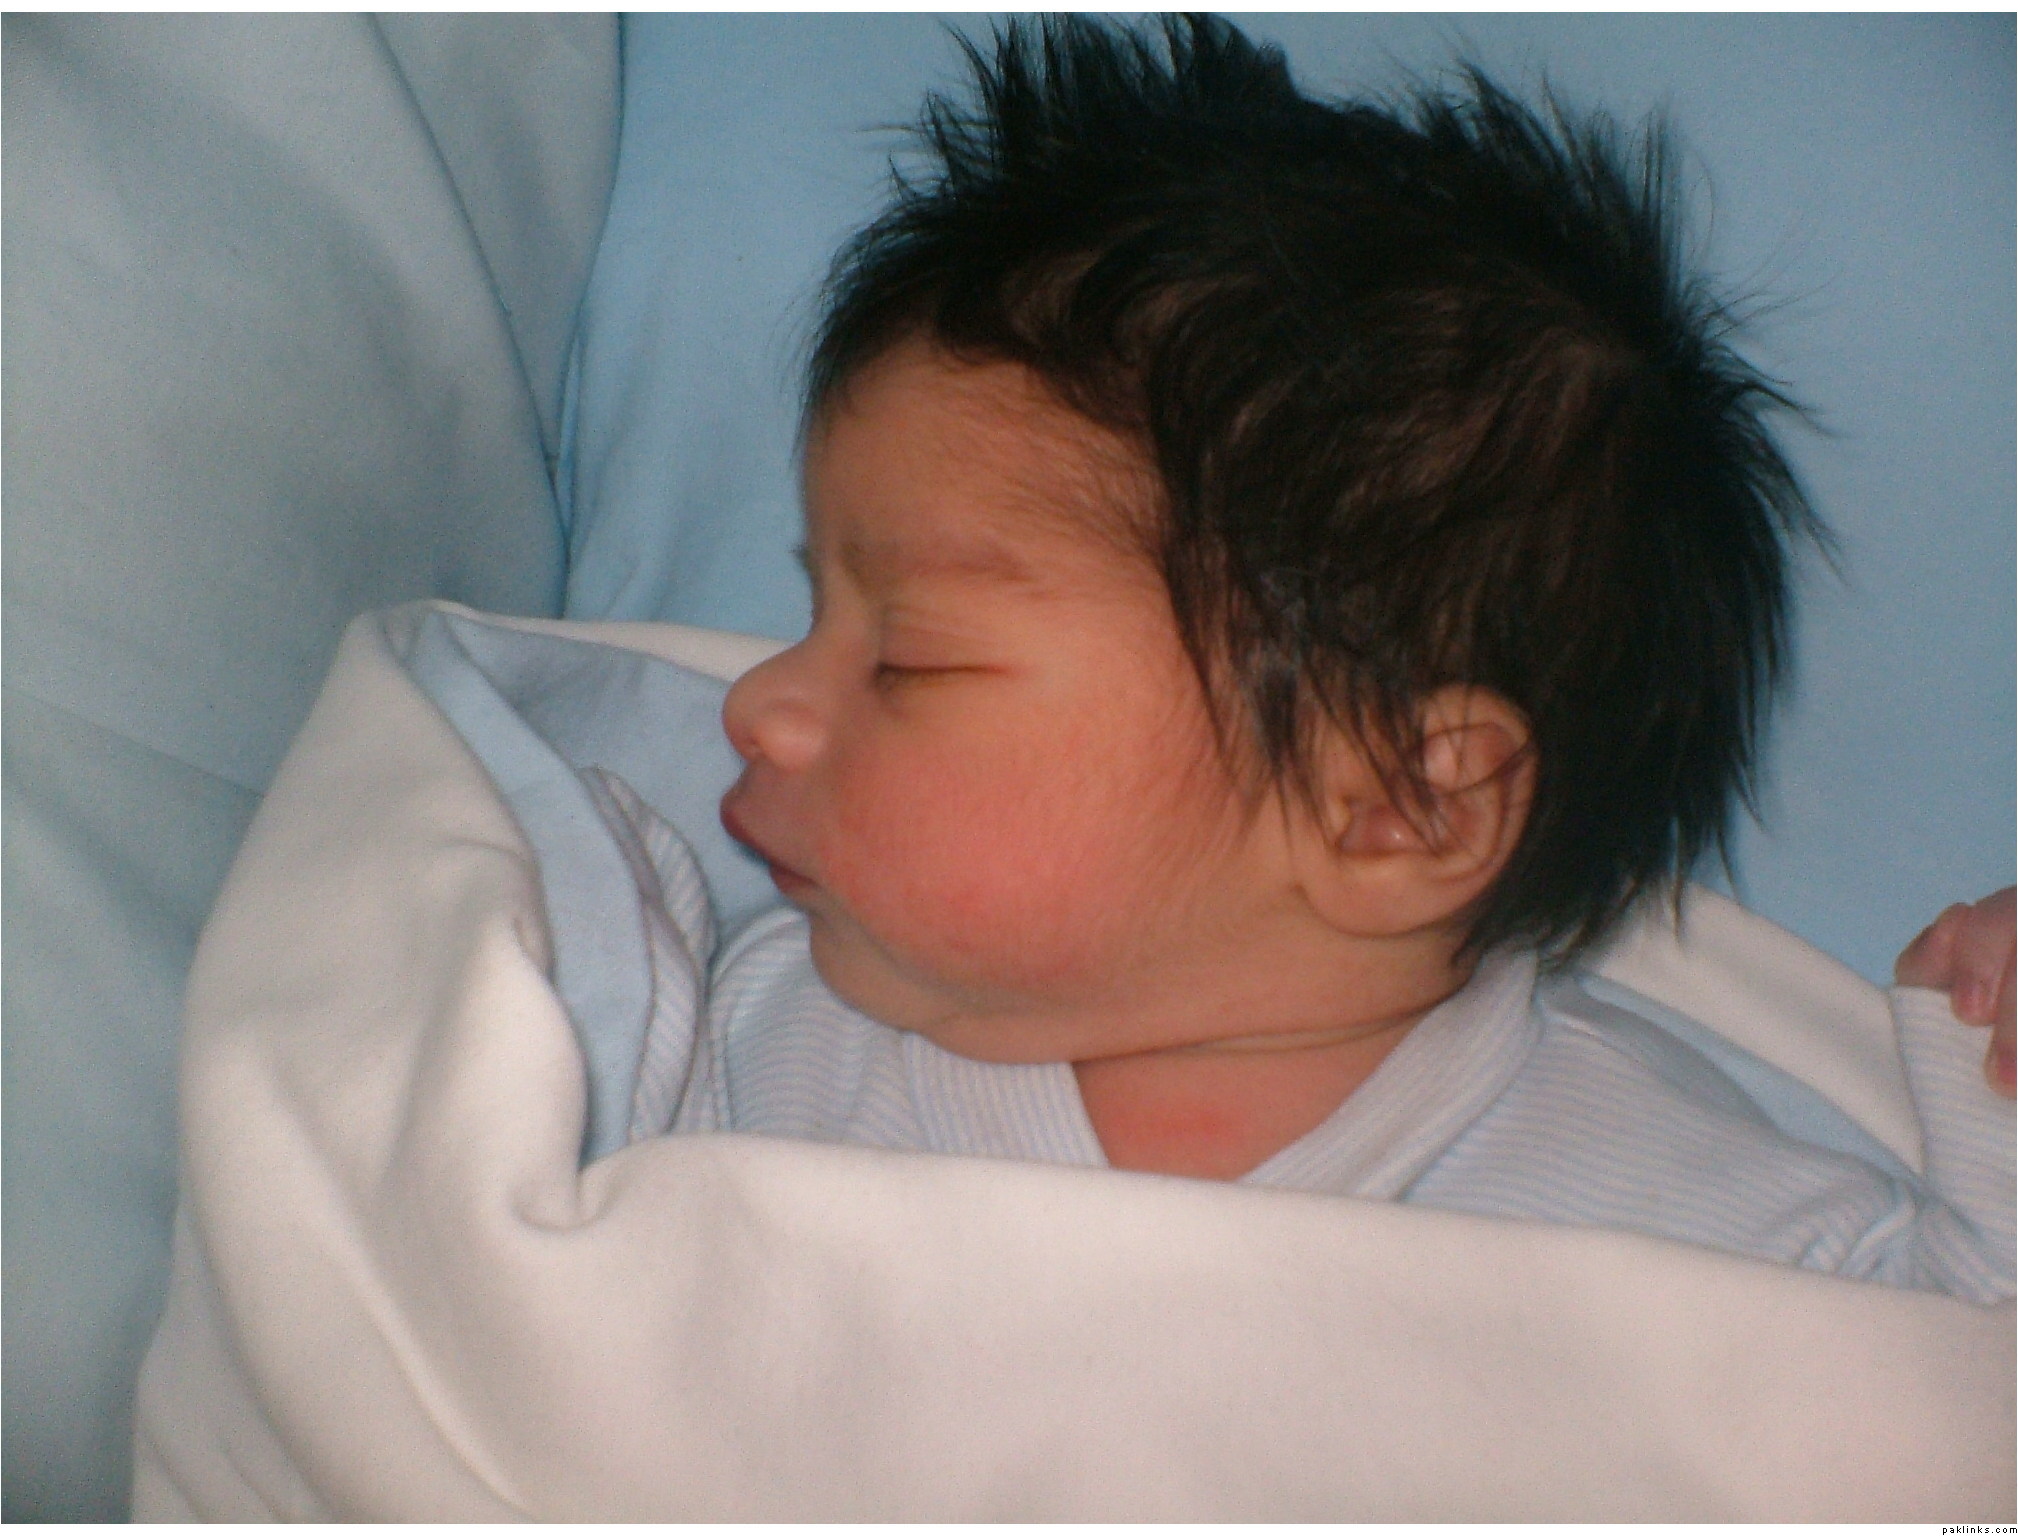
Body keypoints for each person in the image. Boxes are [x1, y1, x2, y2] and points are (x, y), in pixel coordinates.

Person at [606, 14, 2012, 1299]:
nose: (761, 704)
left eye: (907, 658)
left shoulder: (1656, 1195)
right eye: (811, 613)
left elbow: (1945, 1387)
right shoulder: (711, 1044)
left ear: (1399, 806)